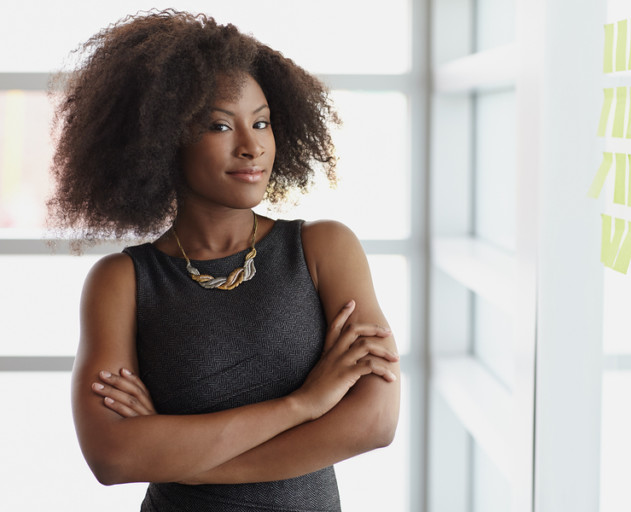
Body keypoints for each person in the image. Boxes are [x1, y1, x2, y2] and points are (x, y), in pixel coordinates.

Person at [49, 10, 400, 512]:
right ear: (163, 140)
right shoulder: (122, 281)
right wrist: (304, 406)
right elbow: (113, 457)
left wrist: (180, 460)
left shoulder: (324, 249)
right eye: (219, 125)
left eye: (261, 122)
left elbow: (375, 422)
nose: (251, 145)